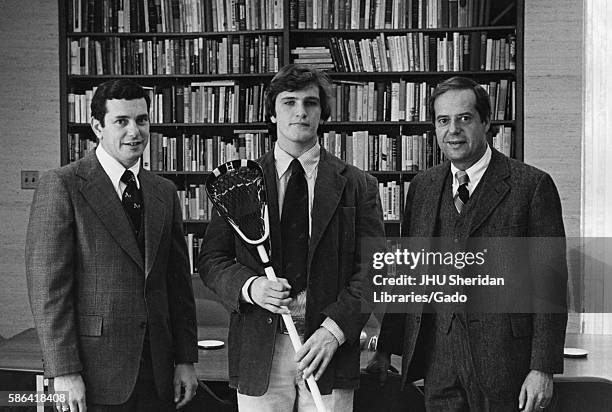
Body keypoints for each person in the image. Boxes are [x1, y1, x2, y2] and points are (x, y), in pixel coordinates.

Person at [368, 76, 568, 412]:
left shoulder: (531, 186)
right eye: (443, 120)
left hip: (506, 363)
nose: (453, 130)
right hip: (438, 362)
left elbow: (551, 284)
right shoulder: (423, 187)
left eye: (464, 118)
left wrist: (543, 367)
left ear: (486, 122)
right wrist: (386, 347)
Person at [198, 64, 385, 411]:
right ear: (272, 113)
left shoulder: (358, 185)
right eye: (289, 102)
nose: (300, 111)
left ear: (322, 114)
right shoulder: (241, 183)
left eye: (310, 103)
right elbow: (211, 260)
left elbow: (374, 269)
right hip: (260, 351)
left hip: (329, 348)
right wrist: (250, 287)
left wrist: (334, 331)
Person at [25, 79, 198, 412]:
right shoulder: (62, 185)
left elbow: (178, 286)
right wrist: (64, 371)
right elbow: (49, 291)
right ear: (96, 127)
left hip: (159, 371)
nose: (135, 131)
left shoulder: (163, 191)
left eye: (141, 120)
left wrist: (185, 358)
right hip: (93, 373)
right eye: (121, 121)